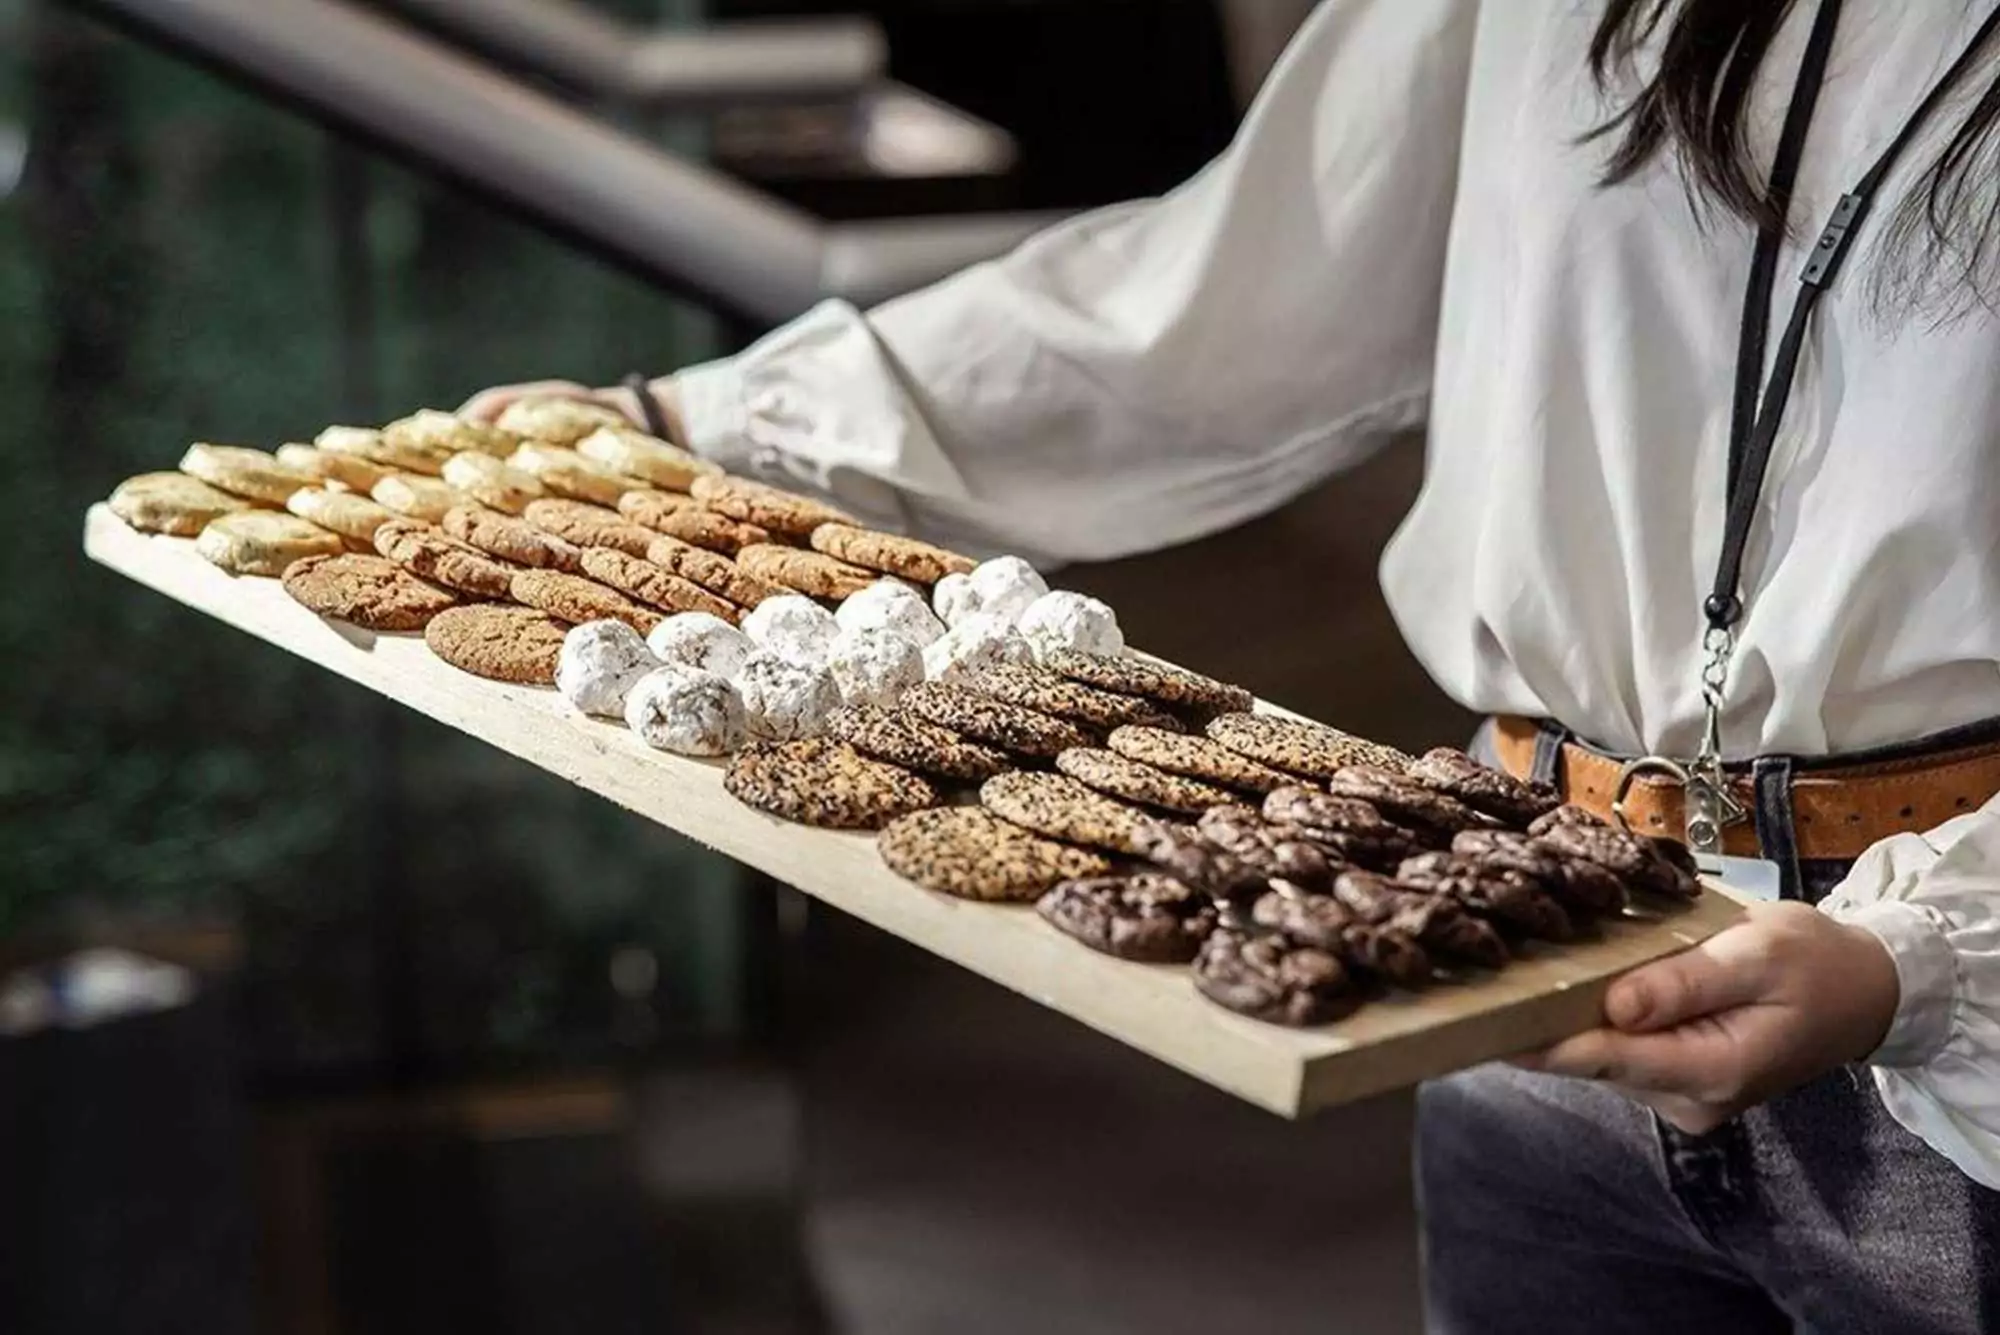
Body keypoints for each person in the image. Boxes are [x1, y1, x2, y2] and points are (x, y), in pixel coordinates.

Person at [465, 2, 2000, 1329]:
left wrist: (1916, 959)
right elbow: (1213, 316)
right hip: (1526, 961)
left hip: (1959, 1083)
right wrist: (694, 434)